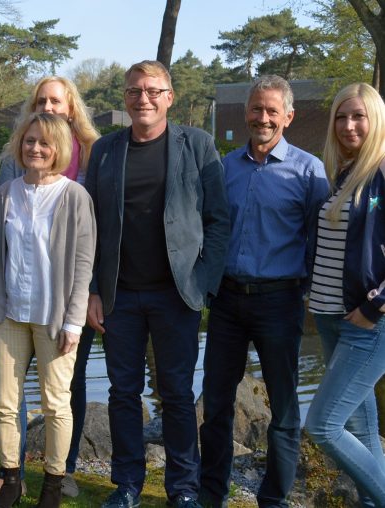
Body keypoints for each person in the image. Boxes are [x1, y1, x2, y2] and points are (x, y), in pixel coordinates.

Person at [85, 60, 230, 508]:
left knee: (178, 395)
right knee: (122, 393)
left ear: (169, 97)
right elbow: (90, 225)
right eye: (134, 91)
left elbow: (218, 221)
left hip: (177, 295)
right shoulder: (106, 150)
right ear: (125, 98)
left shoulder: (199, 145)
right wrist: (92, 289)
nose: (142, 98)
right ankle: (126, 484)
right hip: (119, 295)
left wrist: (203, 285)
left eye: (152, 90)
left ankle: (183, 489)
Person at [0, 75, 100, 501]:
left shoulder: (75, 196)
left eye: (44, 144)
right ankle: (10, 478)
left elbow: (83, 266)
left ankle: (54, 483)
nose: (35, 149)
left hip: (55, 316)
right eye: (29, 142)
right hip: (9, 315)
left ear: (58, 149)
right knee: (4, 401)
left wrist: (75, 322)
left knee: (56, 403)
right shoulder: (6, 193)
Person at [198, 75, 328, 508]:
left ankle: (272, 500)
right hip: (228, 302)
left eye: (273, 110)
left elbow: (319, 239)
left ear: (288, 117)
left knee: (285, 411)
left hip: (280, 302)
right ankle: (211, 494)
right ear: (245, 113)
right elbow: (210, 230)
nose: (263, 118)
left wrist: (303, 292)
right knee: (215, 405)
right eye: (257, 109)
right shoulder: (225, 168)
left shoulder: (310, 172)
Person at [305, 82, 385, 507]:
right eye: (341, 116)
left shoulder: (382, 170)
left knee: (323, 425)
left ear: (376, 121)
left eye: (358, 116)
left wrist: (375, 304)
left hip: (368, 322)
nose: (348, 125)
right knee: (361, 427)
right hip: (332, 315)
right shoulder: (346, 172)